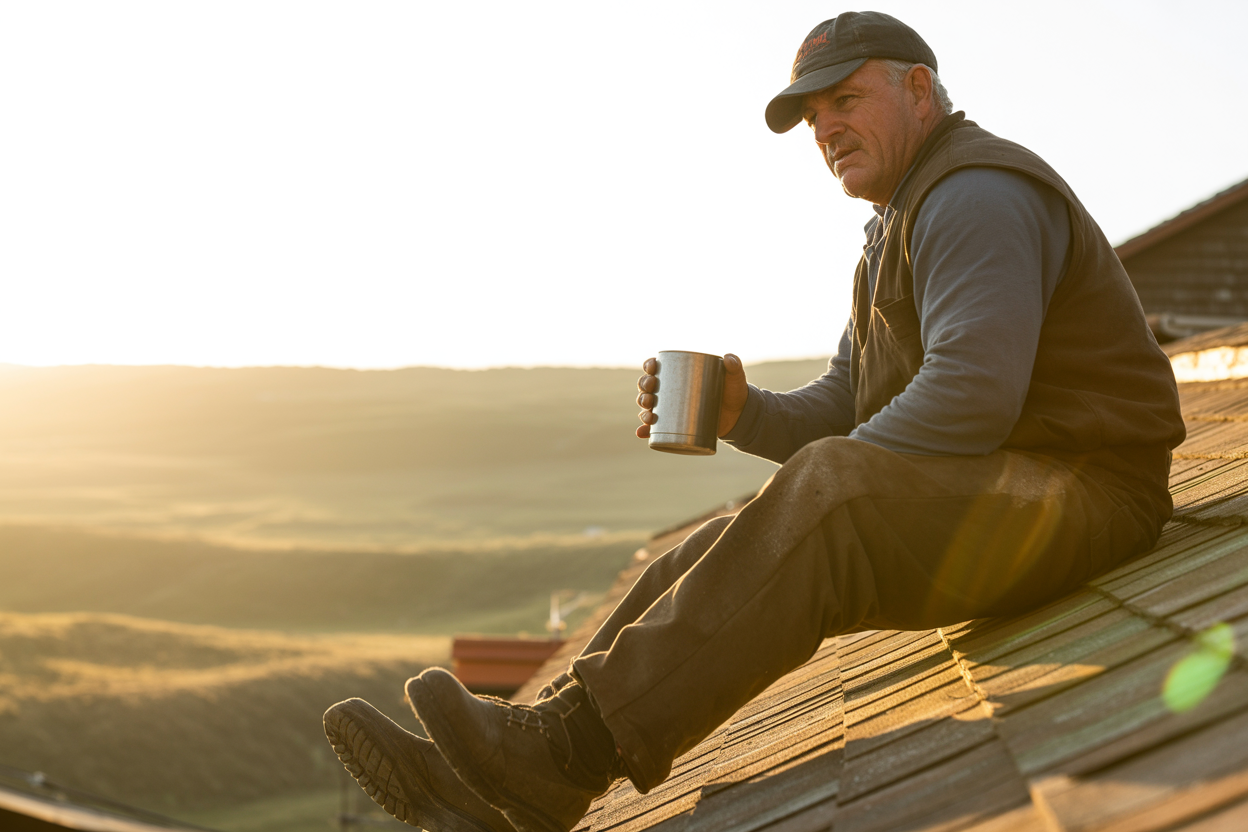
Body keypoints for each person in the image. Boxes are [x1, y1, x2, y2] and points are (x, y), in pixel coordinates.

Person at [322, 12, 1185, 832]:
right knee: (709, 545)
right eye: (813, 117)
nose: (826, 131)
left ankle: (562, 753)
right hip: (1004, 494)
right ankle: (516, 782)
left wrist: (814, 488)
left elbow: (968, 398)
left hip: (1086, 495)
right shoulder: (897, 224)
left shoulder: (975, 195)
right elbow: (849, 408)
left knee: (822, 491)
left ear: (920, 89)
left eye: (846, 101)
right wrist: (744, 415)